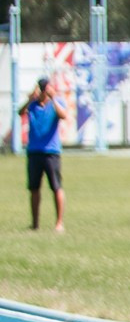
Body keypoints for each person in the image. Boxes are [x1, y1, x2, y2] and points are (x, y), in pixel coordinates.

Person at [21, 77, 64, 233]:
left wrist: (53, 99)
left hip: (51, 152)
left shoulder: (56, 103)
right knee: (34, 188)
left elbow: (63, 115)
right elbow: (20, 112)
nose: (43, 90)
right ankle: (35, 224)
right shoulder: (32, 105)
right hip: (34, 152)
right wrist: (29, 99)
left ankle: (59, 223)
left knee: (56, 187)